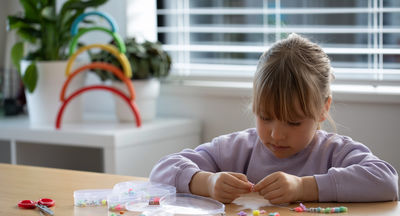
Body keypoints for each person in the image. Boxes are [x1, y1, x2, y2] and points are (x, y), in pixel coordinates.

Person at [149, 33, 398, 204]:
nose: (276, 134)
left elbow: (387, 181)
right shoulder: (238, 149)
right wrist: (207, 182)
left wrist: (304, 187)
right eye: (266, 117)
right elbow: (160, 171)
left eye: (293, 122)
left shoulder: (333, 152)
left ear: (323, 109)